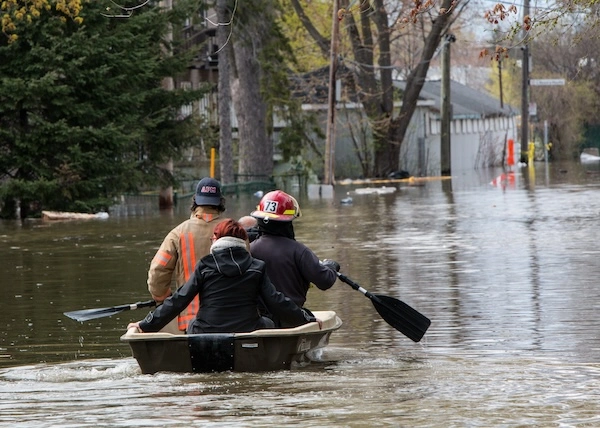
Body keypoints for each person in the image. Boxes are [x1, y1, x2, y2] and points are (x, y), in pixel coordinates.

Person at [128, 219, 321, 333]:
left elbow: (179, 300)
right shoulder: (256, 267)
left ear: (217, 240)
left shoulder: (204, 266)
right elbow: (277, 302)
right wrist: (306, 319)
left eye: (213, 236)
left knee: (192, 323)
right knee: (268, 322)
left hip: (205, 332)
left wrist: (146, 325)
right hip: (248, 330)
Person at [146, 177, 227, 332]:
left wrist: (164, 298)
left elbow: (158, 271)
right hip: (231, 316)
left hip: (191, 319)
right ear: (220, 202)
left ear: (195, 201)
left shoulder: (178, 233)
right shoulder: (235, 230)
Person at [249, 190, 340, 317]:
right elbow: (325, 281)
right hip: (293, 318)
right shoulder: (299, 251)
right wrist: (331, 266)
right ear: (288, 222)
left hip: (258, 320)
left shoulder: (248, 250)